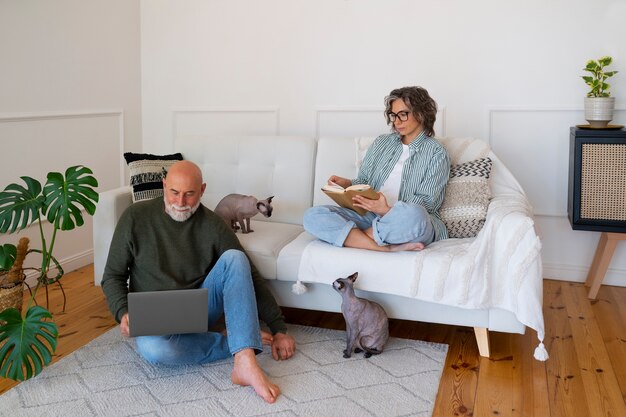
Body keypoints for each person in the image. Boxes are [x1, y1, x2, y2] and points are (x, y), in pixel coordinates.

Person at [101, 160, 296, 404]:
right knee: (154, 350)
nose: (180, 202)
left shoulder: (213, 224)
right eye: (174, 192)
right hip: (155, 316)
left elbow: (249, 274)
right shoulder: (134, 217)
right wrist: (124, 313)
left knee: (235, 258)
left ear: (202, 190)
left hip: (200, 308)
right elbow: (112, 276)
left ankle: (244, 360)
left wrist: (279, 328)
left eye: (189, 194)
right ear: (164, 186)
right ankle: (237, 340)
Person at [303, 86, 450, 251]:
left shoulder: (436, 152)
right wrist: (347, 184)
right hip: (368, 214)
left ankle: (356, 238)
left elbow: (428, 203)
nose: (396, 121)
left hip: (404, 220)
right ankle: (385, 247)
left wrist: (386, 210)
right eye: (393, 115)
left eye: (403, 114)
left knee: (416, 215)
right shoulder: (382, 143)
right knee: (312, 216)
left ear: (421, 114)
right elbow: (364, 182)